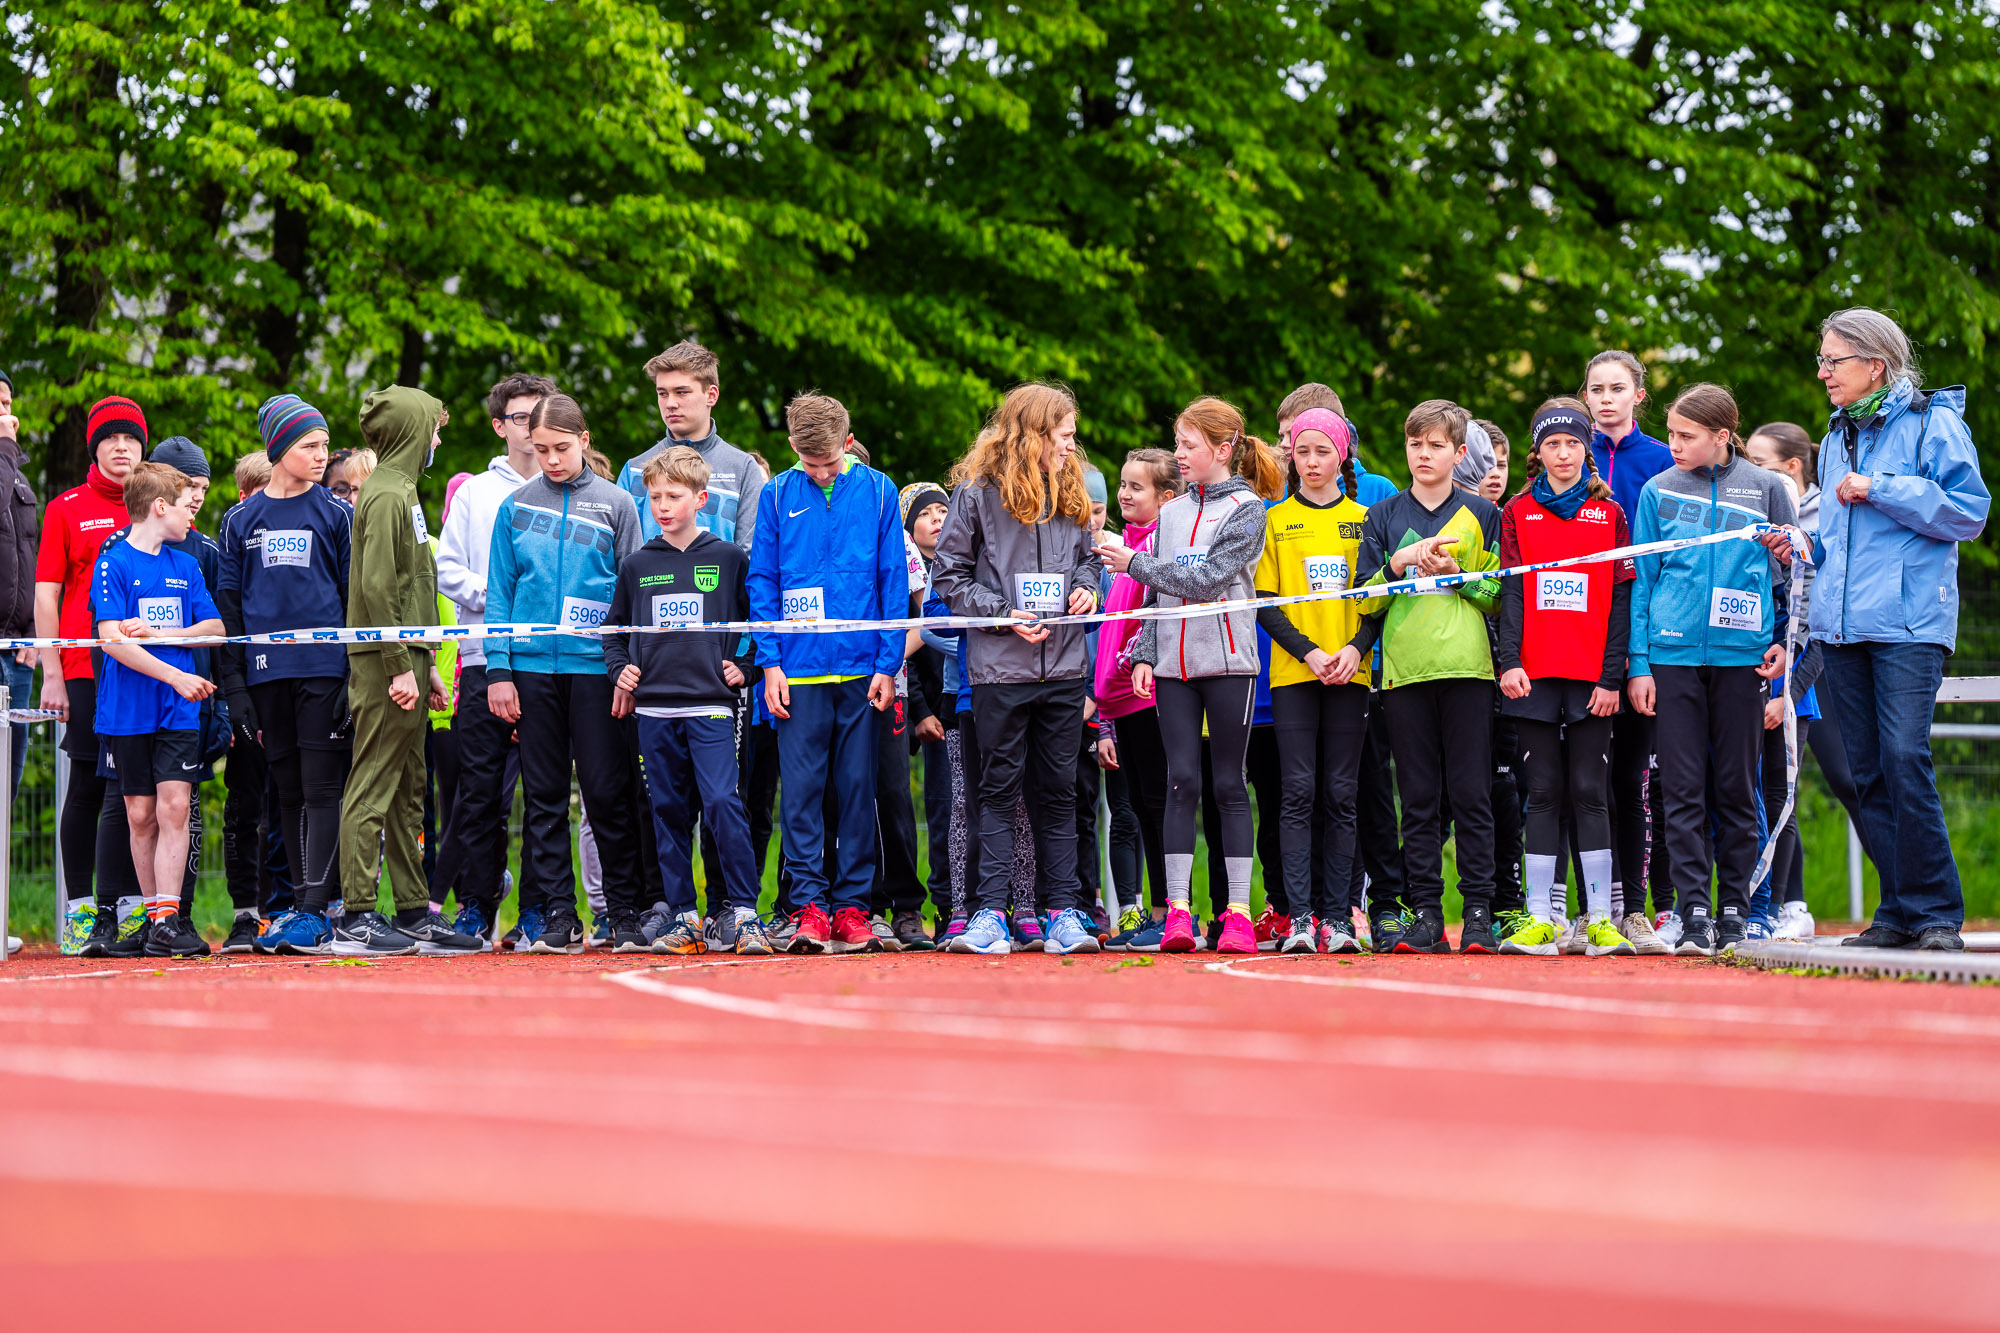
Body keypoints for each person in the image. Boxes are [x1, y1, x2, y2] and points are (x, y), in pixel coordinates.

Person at [1810, 307, 1990, 951]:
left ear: (1876, 365)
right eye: (1822, 361)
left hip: (1910, 624)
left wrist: (1881, 487)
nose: (1824, 372)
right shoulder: (1834, 437)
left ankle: (1937, 913)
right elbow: (1837, 541)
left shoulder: (1933, 422)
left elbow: (1969, 512)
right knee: (1866, 773)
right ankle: (1898, 913)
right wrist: (1796, 546)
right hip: (1841, 628)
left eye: (1834, 361)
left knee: (1904, 758)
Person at [1097, 396, 1281, 954]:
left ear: (1222, 450)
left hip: (1228, 665)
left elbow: (1206, 581)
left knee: (1228, 784)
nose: (1178, 453)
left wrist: (1134, 562)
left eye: (1188, 444)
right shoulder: (1172, 513)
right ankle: (1177, 910)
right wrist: (1145, 652)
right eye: (1176, 443)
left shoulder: (1248, 509)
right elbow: (1160, 598)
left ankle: (1238, 914)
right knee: (1180, 783)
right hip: (1173, 669)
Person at [1627, 383, 1797, 957]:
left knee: (1736, 788)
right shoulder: (1657, 490)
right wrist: (1640, 663)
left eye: (1686, 435)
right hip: (1671, 658)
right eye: (1671, 433)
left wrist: (1785, 645)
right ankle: (1693, 911)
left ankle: (1735, 910)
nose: (1673, 444)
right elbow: (1643, 582)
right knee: (1681, 789)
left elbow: (1792, 581)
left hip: (1742, 659)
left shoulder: (1767, 487)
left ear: (1722, 436)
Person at [934, 382, 1103, 956]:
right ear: (1033, 433)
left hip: (1064, 668)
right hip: (999, 673)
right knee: (998, 792)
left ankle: (1063, 914)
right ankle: (989, 914)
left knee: (1059, 793)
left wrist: (1087, 590)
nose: (1071, 446)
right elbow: (948, 577)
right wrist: (1003, 614)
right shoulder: (976, 492)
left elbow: (1088, 563)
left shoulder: (1072, 486)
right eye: (1064, 436)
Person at [484, 393, 646, 953]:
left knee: (607, 792)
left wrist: (627, 667)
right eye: (541, 449)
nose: (551, 459)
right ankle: (558, 913)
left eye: (561, 448)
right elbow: (500, 593)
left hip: (598, 672)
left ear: (584, 440)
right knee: (544, 796)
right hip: (530, 670)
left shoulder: (619, 504)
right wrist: (499, 670)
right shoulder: (514, 507)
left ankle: (623, 912)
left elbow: (634, 594)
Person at [747, 393, 904, 954]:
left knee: (858, 791)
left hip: (863, 671)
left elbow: (892, 579)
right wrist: (770, 662)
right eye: (811, 463)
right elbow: (763, 580)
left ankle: (854, 908)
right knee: (801, 796)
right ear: (792, 447)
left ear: (849, 441)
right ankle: (808, 907)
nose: (821, 472)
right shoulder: (775, 493)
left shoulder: (880, 490)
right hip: (798, 673)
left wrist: (888, 663)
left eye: (831, 462)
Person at [1348, 399, 1504, 954]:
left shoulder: (1483, 515)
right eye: (1415, 444)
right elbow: (1363, 601)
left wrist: (1459, 575)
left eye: (1436, 445)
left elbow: (1499, 597)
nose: (1423, 454)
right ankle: (1427, 915)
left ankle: (1479, 912)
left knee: (1472, 795)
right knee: (1416, 800)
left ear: (1459, 454)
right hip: (1404, 676)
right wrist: (1398, 563)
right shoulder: (1383, 516)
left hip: (1468, 671)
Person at [1495, 403, 1646, 956]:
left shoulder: (1610, 513)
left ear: (1587, 449)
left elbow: (1622, 598)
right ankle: (1540, 920)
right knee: (1542, 793)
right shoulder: (1517, 511)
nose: (1563, 454)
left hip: (1592, 679)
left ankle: (1600, 919)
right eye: (1553, 445)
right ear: (1538, 452)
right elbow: (1511, 591)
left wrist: (1611, 677)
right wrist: (1509, 661)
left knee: (1589, 791)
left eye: (1573, 444)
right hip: (1533, 674)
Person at [606, 445, 770, 955]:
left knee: (722, 802)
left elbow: (763, 623)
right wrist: (620, 669)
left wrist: (746, 668)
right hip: (653, 710)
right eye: (654, 497)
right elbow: (614, 631)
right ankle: (683, 918)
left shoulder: (729, 558)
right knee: (668, 812)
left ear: (700, 499)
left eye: (673, 496)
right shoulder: (637, 564)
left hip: (712, 707)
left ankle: (744, 914)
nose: (662, 506)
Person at [334, 387, 480, 956]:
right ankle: (356, 915)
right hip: (385, 663)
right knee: (373, 780)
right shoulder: (385, 494)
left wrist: (427, 665)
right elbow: (376, 588)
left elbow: (412, 585)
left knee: (408, 788)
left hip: (409, 659)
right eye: (433, 428)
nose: (437, 438)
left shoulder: (404, 491)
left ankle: (415, 911)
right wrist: (399, 664)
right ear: (411, 430)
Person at [219, 395, 355, 955]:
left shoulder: (338, 513)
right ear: (278, 449)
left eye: (325, 445)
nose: (322, 455)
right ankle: (301, 908)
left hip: (324, 671)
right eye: (310, 445)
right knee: (287, 792)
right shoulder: (239, 520)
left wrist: (353, 674)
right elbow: (230, 611)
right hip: (265, 676)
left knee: (323, 790)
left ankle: (315, 911)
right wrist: (235, 689)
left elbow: (353, 599)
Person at [435, 371, 555, 946]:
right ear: (499, 426)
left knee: (545, 792)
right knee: (480, 794)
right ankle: (477, 907)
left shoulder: (572, 489)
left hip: (551, 662)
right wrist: (499, 597)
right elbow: (447, 569)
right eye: (518, 418)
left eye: (539, 416)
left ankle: (538, 909)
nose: (529, 429)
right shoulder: (476, 494)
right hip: (484, 658)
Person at [90, 463, 221, 957]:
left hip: (178, 710)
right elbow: (111, 640)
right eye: (186, 504)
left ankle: (168, 919)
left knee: (175, 807)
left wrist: (164, 636)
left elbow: (214, 628)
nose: (193, 513)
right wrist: (175, 675)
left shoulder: (185, 564)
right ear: (159, 506)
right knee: (140, 814)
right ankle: (151, 919)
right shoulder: (113, 562)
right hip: (128, 708)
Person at [1255, 407, 1372, 954]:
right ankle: (1300, 918)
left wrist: (1353, 649)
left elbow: (1379, 599)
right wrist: (1310, 652)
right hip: (1294, 674)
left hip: (1351, 671)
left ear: (1341, 455)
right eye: (1302, 451)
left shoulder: (1366, 518)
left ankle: (1339, 919)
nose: (1311, 461)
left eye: (1323, 451)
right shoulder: (1275, 520)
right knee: (1297, 792)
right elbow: (1264, 602)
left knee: (1341, 794)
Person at [37, 396, 146, 953]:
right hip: (84, 668)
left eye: (130, 439)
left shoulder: (156, 503)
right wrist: (52, 674)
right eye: (110, 438)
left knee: (136, 791)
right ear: (95, 447)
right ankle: (80, 912)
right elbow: (46, 596)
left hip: (147, 670)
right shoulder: (66, 508)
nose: (121, 447)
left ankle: (128, 910)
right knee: (87, 786)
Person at [1744, 420, 1851, 941]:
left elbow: (1816, 619)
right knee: (1755, 793)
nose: (1750, 473)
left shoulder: (1827, 518)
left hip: (1813, 671)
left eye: (1759, 463)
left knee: (1819, 785)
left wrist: (1789, 690)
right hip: (1760, 668)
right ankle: (1764, 903)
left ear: (1791, 468)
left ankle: (1790, 904)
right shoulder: (1751, 519)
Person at [1582, 352, 1676, 929]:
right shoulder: (1567, 454)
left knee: (1639, 780)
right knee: (1584, 780)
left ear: (1639, 395)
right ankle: (1590, 904)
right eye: (1597, 389)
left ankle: (1645, 906)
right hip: (1581, 632)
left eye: (1618, 388)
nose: (1607, 399)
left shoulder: (1664, 459)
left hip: (1644, 630)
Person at [1097, 449, 1181, 949]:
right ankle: (1159, 914)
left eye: (1137, 487)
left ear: (1165, 497)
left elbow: (1156, 616)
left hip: (1148, 693)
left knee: (1157, 803)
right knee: (1141, 807)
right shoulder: (1122, 548)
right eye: (1123, 484)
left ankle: (1174, 911)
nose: (1124, 494)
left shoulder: (1158, 547)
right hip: (1118, 699)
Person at [617, 340, 765, 549]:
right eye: (662, 393)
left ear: (711, 395)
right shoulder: (634, 470)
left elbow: (750, 554)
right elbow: (623, 557)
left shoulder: (743, 468)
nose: (670, 403)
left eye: (681, 392)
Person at [0, 386, 39, 801]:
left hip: (18, 654)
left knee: (6, 785)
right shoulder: (6, 461)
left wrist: (33, 634)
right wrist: (5, 450)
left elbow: (31, 561)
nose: (4, 411)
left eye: (7, 402)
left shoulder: (19, 479)